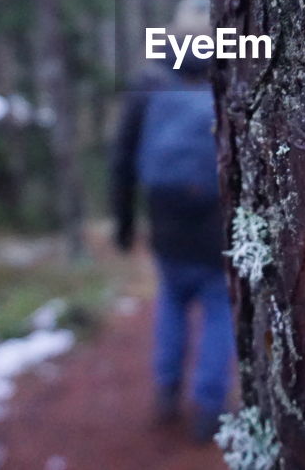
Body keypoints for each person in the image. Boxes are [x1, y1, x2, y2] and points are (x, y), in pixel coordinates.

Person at [111, 38, 233, 442]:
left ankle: (166, 390)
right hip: (215, 219)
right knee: (219, 307)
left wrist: (125, 225)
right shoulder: (229, 91)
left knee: (173, 298)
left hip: (165, 218)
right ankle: (209, 407)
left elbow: (123, 160)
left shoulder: (150, 92)